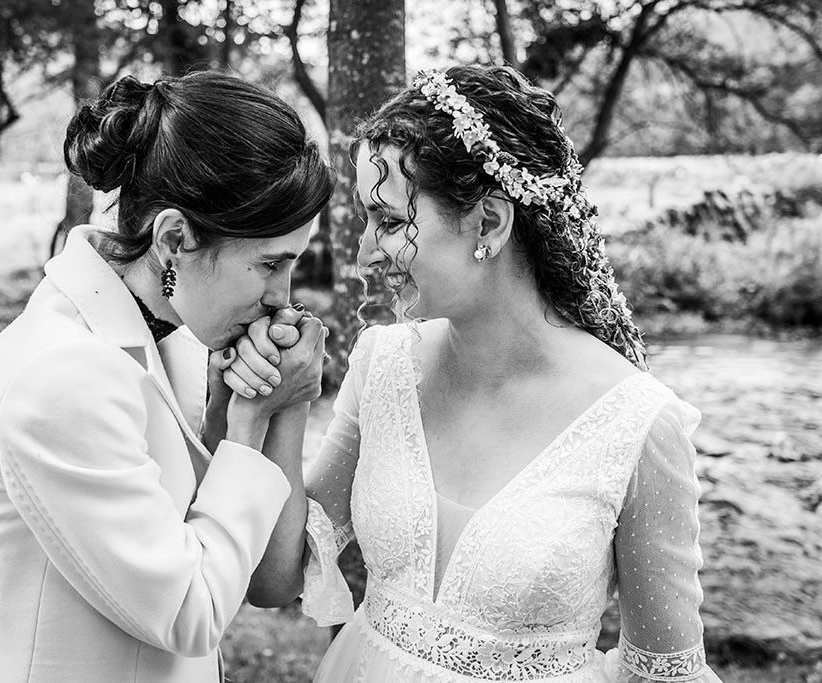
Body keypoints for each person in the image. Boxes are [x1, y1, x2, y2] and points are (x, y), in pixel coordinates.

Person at [239, 65, 724, 682]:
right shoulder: (383, 365)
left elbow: (666, 674)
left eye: (388, 221)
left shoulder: (638, 426)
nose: (364, 254)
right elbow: (274, 579)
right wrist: (284, 404)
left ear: (489, 224)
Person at [0, 71, 333, 683]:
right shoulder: (63, 377)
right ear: (175, 238)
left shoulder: (170, 333)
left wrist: (278, 399)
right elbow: (191, 610)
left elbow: (266, 578)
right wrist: (248, 420)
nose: (281, 299)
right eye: (269, 264)